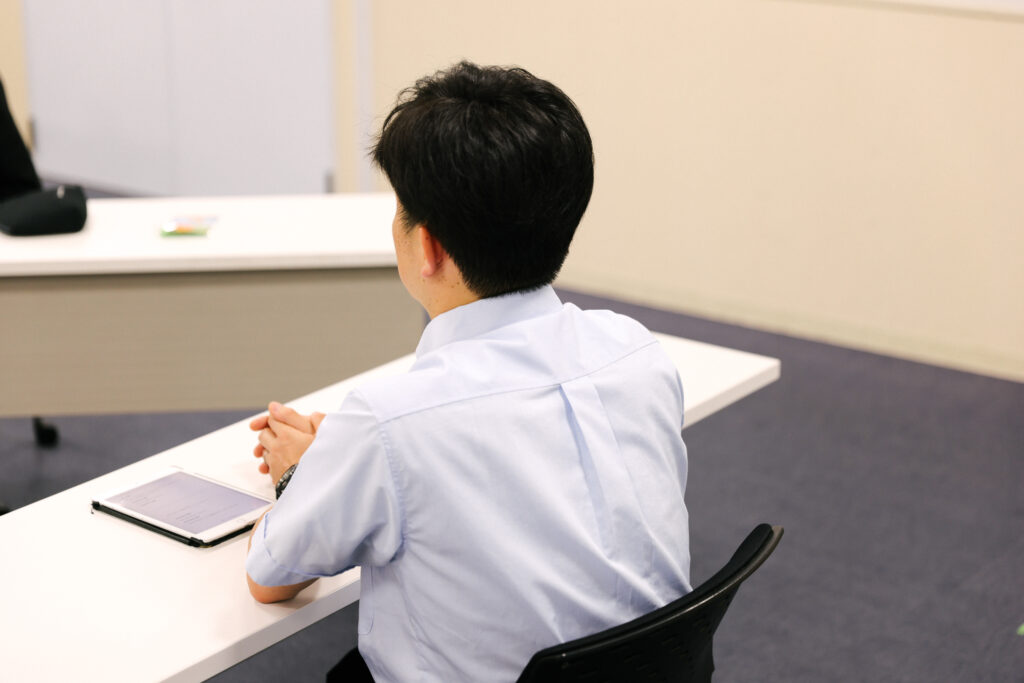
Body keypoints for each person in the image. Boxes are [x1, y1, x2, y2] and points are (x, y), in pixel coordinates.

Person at [245, 61, 692, 682]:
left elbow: (271, 577)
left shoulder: (389, 422)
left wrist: (303, 473)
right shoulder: (635, 351)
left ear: (428, 246)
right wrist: (350, 457)